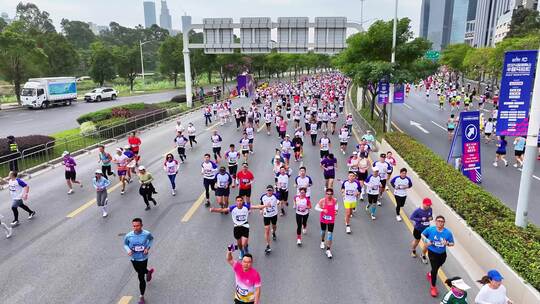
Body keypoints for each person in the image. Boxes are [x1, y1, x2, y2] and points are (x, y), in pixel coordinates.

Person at [123, 218, 155, 304]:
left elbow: (151, 239)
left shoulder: (146, 234)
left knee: (140, 277)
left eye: (137, 226)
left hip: (143, 258)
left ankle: (142, 297)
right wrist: (128, 250)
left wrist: (147, 248)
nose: (135, 228)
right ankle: (148, 272)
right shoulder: (128, 236)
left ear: (141, 226)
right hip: (133, 258)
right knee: (138, 271)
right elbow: (125, 244)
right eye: (134, 226)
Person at [422, 215, 455, 297]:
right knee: (435, 270)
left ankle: (431, 273)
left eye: (442, 221)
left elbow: (452, 243)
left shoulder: (448, 233)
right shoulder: (430, 229)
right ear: (436, 222)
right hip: (432, 253)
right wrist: (426, 240)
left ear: (444, 223)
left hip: (442, 254)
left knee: (438, 266)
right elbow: (422, 234)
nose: (440, 223)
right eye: (439, 221)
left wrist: (447, 243)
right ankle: (433, 287)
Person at [315, 188, 338, 258]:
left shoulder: (335, 200)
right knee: (323, 232)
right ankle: (322, 241)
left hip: (331, 220)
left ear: (332, 194)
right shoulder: (322, 200)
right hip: (323, 219)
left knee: (330, 234)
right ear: (326, 194)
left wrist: (336, 211)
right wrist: (322, 210)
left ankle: (328, 250)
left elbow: (336, 207)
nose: (329, 195)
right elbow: (316, 207)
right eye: (328, 194)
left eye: (330, 194)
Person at [410, 198, 433, 263]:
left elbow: (431, 216)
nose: (429, 206)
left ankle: (423, 255)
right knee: (417, 241)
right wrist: (420, 219)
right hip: (418, 229)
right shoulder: (417, 211)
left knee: (427, 243)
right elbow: (411, 217)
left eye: (429, 205)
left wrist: (431, 218)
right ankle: (413, 250)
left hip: (427, 230)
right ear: (423, 204)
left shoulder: (430, 209)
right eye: (427, 205)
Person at [259, 185, 280, 254]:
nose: (269, 191)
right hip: (266, 215)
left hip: (274, 214)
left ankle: (273, 232)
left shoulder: (275, 196)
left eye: (270, 190)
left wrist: (279, 203)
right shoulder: (263, 197)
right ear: (266, 191)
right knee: (267, 229)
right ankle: (268, 245)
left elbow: (279, 200)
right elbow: (261, 204)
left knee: (274, 226)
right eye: (268, 190)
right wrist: (261, 209)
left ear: (272, 191)